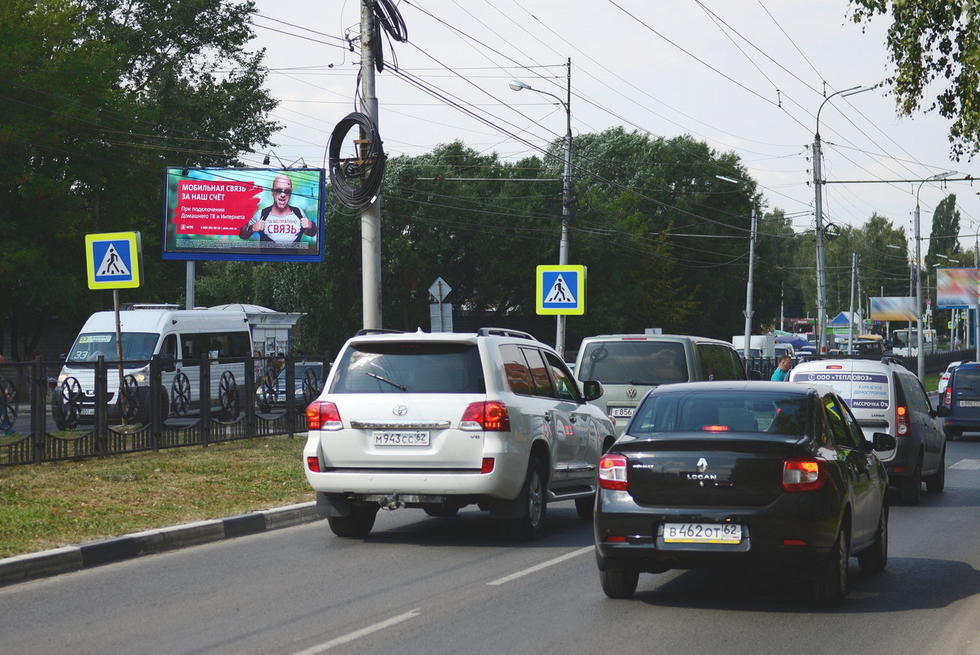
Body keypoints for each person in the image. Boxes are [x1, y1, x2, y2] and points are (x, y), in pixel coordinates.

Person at [239, 174, 316, 243]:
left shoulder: (299, 212)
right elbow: (242, 235)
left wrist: (311, 225)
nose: (283, 195)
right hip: (268, 259)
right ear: (272, 192)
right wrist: (251, 228)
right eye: (279, 190)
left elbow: (312, 233)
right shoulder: (262, 214)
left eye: (287, 191)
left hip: (293, 259)